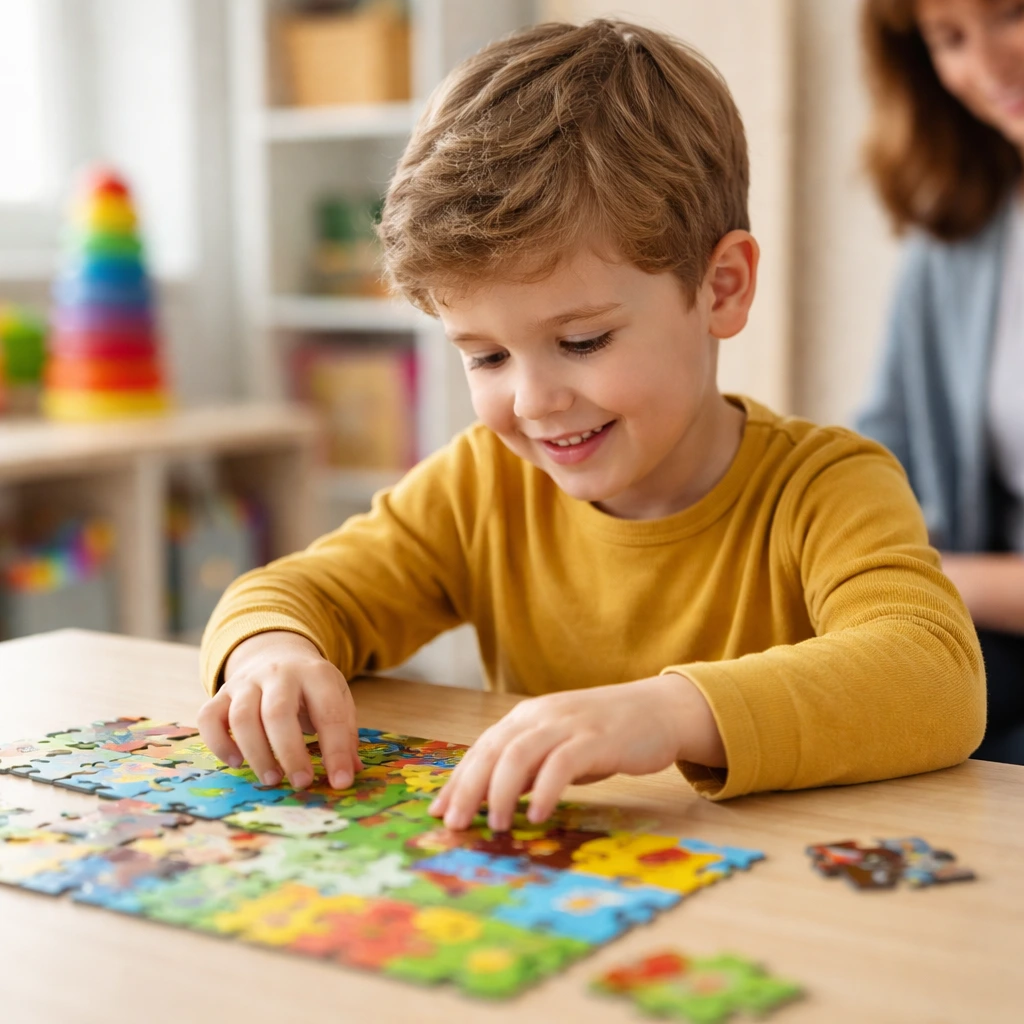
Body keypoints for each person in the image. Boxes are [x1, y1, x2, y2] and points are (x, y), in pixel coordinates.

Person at [198, 19, 985, 830]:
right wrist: (271, 654)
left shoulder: (828, 488)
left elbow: (935, 675)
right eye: (487, 356)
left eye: (581, 342)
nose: (534, 401)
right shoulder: (482, 484)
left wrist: (665, 713)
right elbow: (293, 591)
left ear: (720, 288)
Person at [856, 0, 1024, 763]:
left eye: (1014, 15)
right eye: (948, 39)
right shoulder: (959, 226)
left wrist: (931, 578)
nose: (987, 69)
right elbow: (878, 454)